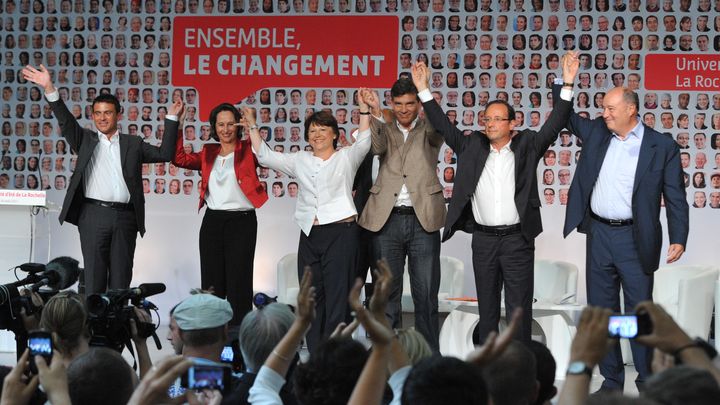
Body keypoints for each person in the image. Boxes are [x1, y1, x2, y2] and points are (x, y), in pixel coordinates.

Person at [412, 51, 577, 343]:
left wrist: (567, 82)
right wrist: (423, 89)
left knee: (518, 310)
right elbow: (441, 125)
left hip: (517, 240)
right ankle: (489, 366)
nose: (490, 124)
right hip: (484, 241)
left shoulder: (528, 144)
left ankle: (520, 366)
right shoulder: (471, 145)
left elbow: (556, 122)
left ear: (512, 123)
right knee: (487, 309)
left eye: (497, 119)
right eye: (487, 119)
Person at [557, 81, 689, 392]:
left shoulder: (661, 146)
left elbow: (675, 196)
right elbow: (567, 116)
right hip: (599, 235)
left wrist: (678, 236)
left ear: (631, 109)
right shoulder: (598, 133)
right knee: (603, 313)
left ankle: (646, 381)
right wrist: (566, 83)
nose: (604, 114)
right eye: (603, 108)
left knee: (638, 313)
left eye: (610, 109)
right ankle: (612, 381)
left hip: (635, 238)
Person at [21, 64, 179, 294]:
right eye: (98, 113)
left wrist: (172, 119)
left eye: (108, 113)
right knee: (93, 279)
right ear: (93, 116)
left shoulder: (132, 144)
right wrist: (49, 87)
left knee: (121, 280)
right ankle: (93, 329)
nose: (102, 118)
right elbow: (65, 121)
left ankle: (119, 328)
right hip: (93, 216)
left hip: (126, 218)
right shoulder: (84, 140)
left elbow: (165, 154)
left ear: (118, 115)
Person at [246, 92, 372, 350]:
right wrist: (252, 125)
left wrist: (363, 110)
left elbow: (365, 142)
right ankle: (315, 355)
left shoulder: (346, 157)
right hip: (310, 234)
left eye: (323, 129)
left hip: (341, 232)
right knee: (312, 297)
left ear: (335, 134)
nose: (317, 135)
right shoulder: (300, 159)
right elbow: (266, 157)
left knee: (339, 298)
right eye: (312, 131)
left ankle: (335, 355)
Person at [357, 77, 447, 351]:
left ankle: (428, 357)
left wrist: (425, 89)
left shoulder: (431, 126)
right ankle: (385, 356)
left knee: (426, 295)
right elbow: (377, 148)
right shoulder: (384, 125)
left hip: (424, 219)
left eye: (410, 103)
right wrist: (374, 112)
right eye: (398, 104)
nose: (405, 109)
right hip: (387, 219)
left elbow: (438, 130)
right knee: (386, 294)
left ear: (419, 104)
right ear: (391, 103)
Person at [173, 103, 268, 329]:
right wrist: (179, 124)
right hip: (213, 222)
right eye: (220, 124)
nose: (226, 129)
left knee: (239, 282)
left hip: (242, 222)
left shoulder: (248, 149)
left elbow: (264, 155)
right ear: (214, 127)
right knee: (212, 283)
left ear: (238, 126)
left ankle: (238, 337)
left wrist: (253, 125)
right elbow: (180, 159)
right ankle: (211, 332)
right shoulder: (208, 152)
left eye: (230, 124)